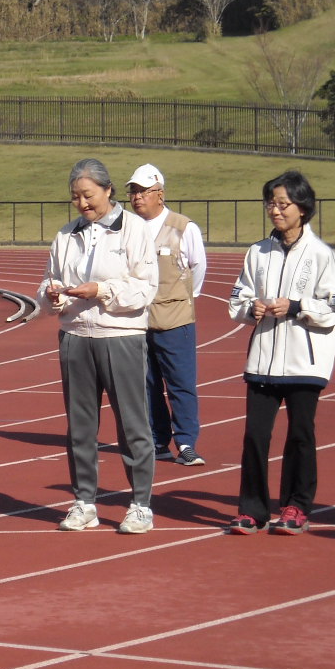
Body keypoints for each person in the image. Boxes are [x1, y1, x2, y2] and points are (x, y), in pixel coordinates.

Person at [37, 158, 159, 534]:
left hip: (120, 336)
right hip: (75, 337)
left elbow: (145, 288)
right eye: (75, 197)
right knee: (80, 426)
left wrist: (102, 290)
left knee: (132, 424)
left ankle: (140, 504)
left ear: (108, 191)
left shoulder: (134, 230)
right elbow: (47, 284)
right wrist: (54, 296)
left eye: (88, 195)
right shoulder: (66, 235)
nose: (82, 204)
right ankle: (84, 501)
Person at [227, 170, 335, 535]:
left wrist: (297, 306)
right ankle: (253, 509)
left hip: (304, 363)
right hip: (262, 361)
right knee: (255, 436)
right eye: (271, 203)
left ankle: (296, 506)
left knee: (300, 435)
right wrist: (253, 309)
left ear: (302, 208)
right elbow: (237, 298)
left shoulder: (322, 255)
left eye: (283, 204)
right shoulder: (257, 252)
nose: (275, 210)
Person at [125, 164, 207, 467]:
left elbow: (197, 267)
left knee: (180, 383)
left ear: (160, 193)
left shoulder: (184, 227)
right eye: (133, 192)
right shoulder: (128, 227)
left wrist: (183, 298)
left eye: (143, 191)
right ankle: (157, 439)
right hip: (137, 320)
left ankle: (186, 442)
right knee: (147, 385)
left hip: (175, 320)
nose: (136, 198)